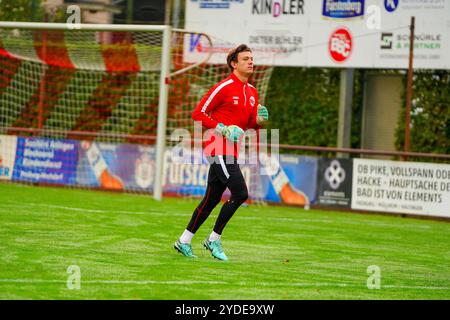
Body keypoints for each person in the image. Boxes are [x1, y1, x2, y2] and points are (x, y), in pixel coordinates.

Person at [173, 44, 269, 261]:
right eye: (245, 59)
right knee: (241, 193)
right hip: (217, 147)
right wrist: (222, 128)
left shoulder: (253, 92)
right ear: (234, 64)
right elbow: (198, 113)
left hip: (232, 150)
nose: (251, 62)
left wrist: (259, 122)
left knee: (211, 199)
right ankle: (213, 239)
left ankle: (183, 241)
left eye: (252, 58)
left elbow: (250, 127)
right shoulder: (223, 87)